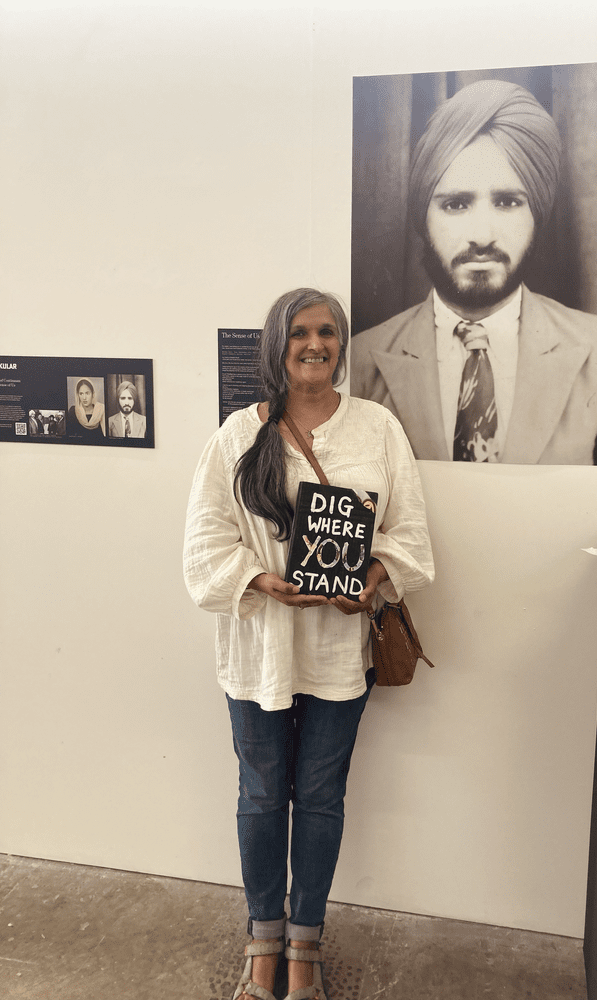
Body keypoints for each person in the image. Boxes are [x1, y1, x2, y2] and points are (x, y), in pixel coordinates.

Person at [183, 288, 434, 1000]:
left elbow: (410, 533)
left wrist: (375, 576)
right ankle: (262, 941)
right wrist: (264, 579)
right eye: (300, 332)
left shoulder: (377, 427)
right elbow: (203, 547)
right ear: (277, 343)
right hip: (260, 648)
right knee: (262, 794)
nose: (315, 344)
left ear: (342, 343)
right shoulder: (235, 437)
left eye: (327, 332)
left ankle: (306, 946)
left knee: (320, 795)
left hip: (336, 652)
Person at [351, 79, 597, 465]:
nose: (483, 236)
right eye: (456, 205)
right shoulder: (360, 361)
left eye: (507, 202)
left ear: (536, 214)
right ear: (424, 218)